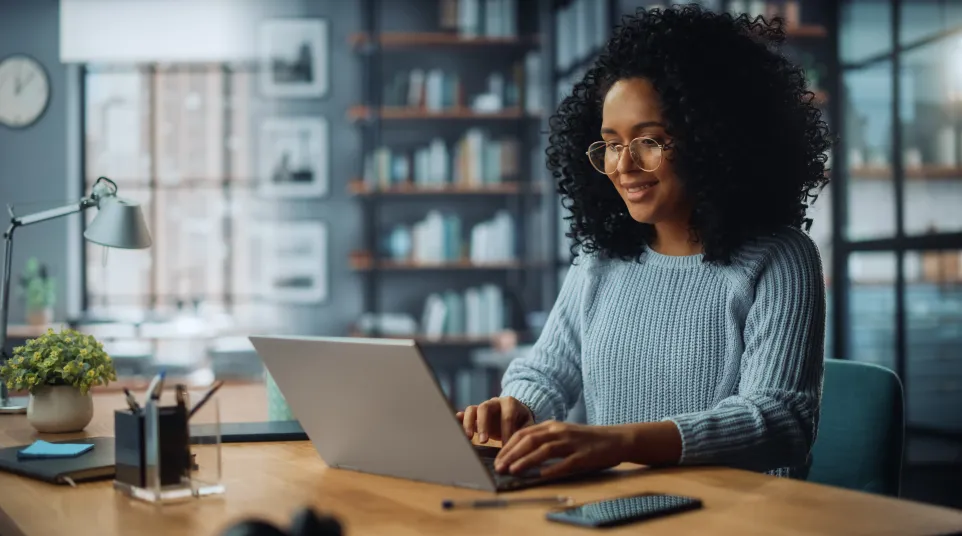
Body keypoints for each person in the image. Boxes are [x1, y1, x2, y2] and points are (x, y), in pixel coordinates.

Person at [456, 5, 832, 480]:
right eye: (611, 143)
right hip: (615, 510)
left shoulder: (780, 258)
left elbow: (780, 420)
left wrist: (617, 443)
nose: (623, 165)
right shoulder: (599, 262)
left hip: (737, 518)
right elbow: (546, 373)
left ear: (711, 140)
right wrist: (517, 409)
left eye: (648, 141)